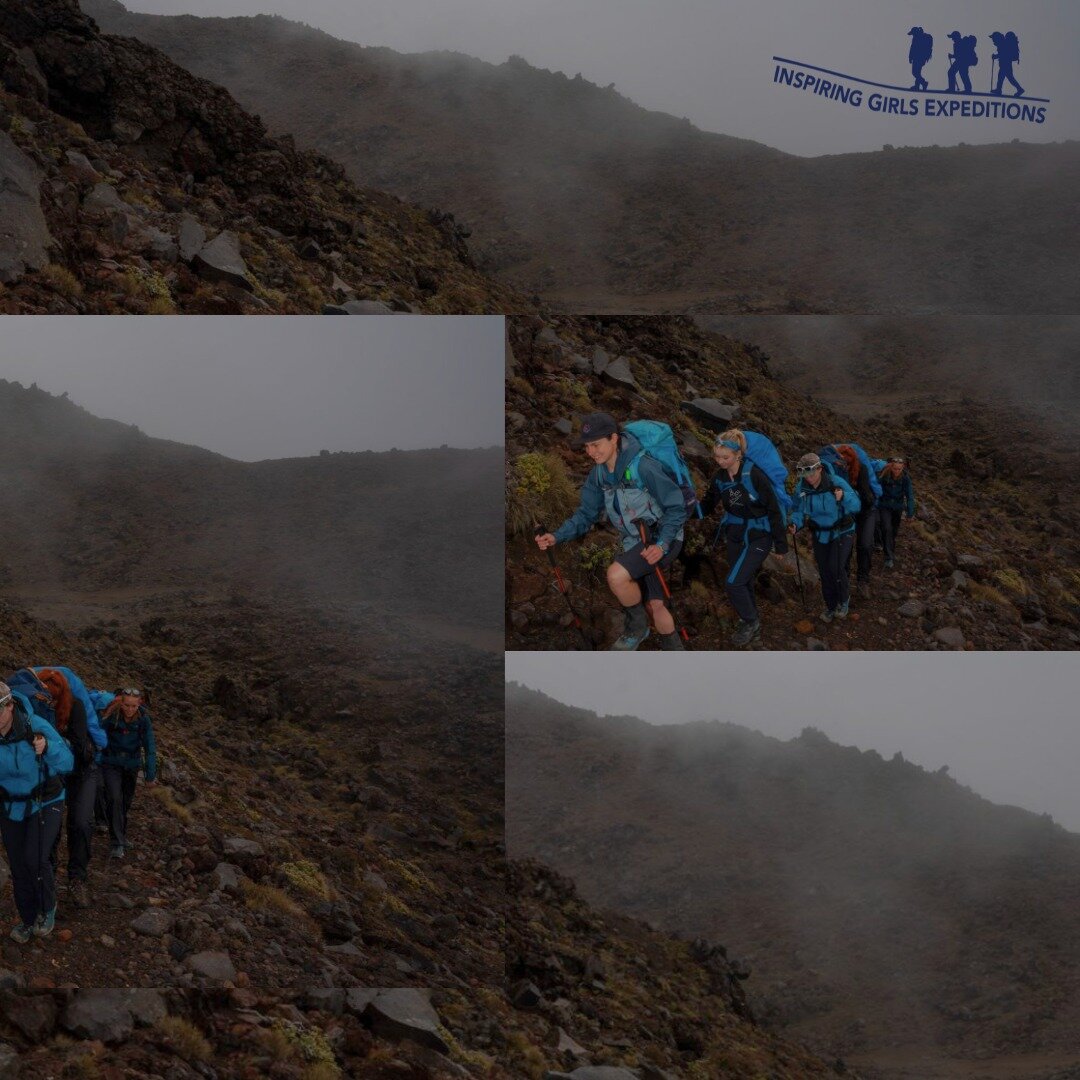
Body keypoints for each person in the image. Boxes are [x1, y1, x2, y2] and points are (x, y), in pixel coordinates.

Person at [535, 412, 688, 650]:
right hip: (634, 542)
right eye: (587, 446)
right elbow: (586, 514)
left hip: (662, 537)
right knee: (655, 604)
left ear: (614, 438)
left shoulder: (644, 467)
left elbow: (676, 508)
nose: (591, 452)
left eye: (596, 444)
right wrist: (556, 536)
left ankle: (636, 629)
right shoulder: (599, 474)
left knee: (616, 576)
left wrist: (662, 545)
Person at [11, 666, 106, 910]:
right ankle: (48, 879)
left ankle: (77, 878)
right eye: (45, 695)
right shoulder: (33, 711)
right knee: (49, 829)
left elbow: (77, 747)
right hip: (53, 775)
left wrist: (53, 746)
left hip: (81, 772)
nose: (49, 700)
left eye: (54, 695)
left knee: (81, 823)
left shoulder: (75, 708)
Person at [699, 429, 788, 647]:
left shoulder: (754, 475)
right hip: (735, 533)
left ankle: (750, 621)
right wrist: (684, 511)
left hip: (760, 535)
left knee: (733, 582)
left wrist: (781, 544)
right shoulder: (719, 478)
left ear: (738, 454)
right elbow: (708, 505)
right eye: (717, 457)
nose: (720, 461)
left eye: (725, 457)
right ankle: (751, 620)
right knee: (743, 579)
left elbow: (774, 509)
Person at [0, 681, 74, 942]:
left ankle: (47, 908)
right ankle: (28, 919)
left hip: (46, 799)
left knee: (35, 859)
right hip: (11, 806)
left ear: (10, 706)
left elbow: (67, 762)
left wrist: (49, 748)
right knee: (19, 867)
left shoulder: (35, 726)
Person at [788, 453, 861, 622]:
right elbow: (797, 509)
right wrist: (794, 523)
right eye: (805, 474)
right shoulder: (802, 488)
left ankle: (843, 601)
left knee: (836, 568)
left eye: (811, 473)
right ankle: (830, 606)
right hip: (820, 533)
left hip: (842, 531)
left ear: (820, 469)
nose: (809, 478)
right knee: (825, 571)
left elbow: (856, 505)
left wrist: (843, 497)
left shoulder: (836, 483)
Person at [94, 688, 156, 858]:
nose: (130, 710)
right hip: (111, 764)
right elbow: (98, 735)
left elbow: (150, 746)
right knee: (114, 798)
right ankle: (117, 843)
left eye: (133, 706)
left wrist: (150, 774)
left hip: (131, 765)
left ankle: (121, 834)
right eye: (127, 705)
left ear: (139, 704)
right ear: (121, 703)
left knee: (125, 802)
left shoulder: (143, 720)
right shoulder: (111, 717)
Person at [833, 445, 877, 601]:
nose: (841, 463)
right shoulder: (835, 471)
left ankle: (862, 580)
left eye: (845, 460)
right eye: (839, 459)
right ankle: (844, 581)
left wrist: (851, 495)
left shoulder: (862, 469)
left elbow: (866, 495)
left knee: (865, 544)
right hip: (848, 513)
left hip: (866, 511)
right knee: (846, 546)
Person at [876, 455, 916, 568]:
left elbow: (910, 496)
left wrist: (910, 513)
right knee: (886, 528)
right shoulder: (884, 476)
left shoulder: (905, 479)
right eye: (895, 468)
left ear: (902, 468)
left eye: (899, 469)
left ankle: (890, 551)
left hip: (897, 508)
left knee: (893, 531)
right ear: (891, 467)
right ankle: (888, 557)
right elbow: (877, 489)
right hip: (884, 506)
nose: (897, 471)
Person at [990, 32, 1024, 97]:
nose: (993, 40)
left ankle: (999, 90)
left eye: (993, 39)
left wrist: (995, 56)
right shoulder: (1003, 44)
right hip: (1005, 64)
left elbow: (1003, 54)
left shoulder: (1003, 44)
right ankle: (1019, 89)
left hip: (1005, 64)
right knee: (1008, 78)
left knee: (1002, 77)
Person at [907, 26, 933, 91]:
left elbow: (913, 48)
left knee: (915, 72)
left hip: (919, 58)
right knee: (917, 72)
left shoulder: (919, 38)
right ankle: (917, 86)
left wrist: (911, 57)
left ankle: (923, 83)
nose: (912, 35)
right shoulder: (916, 37)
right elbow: (912, 48)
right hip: (919, 58)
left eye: (913, 33)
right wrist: (910, 57)